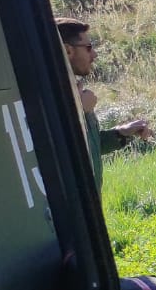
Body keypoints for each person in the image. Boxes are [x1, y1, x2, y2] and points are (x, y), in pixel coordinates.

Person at [55, 17, 151, 189]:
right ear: (68, 50)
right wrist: (77, 111)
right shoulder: (46, 98)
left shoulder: (76, 91)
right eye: (88, 48)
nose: (94, 54)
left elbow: (88, 147)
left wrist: (121, 133)